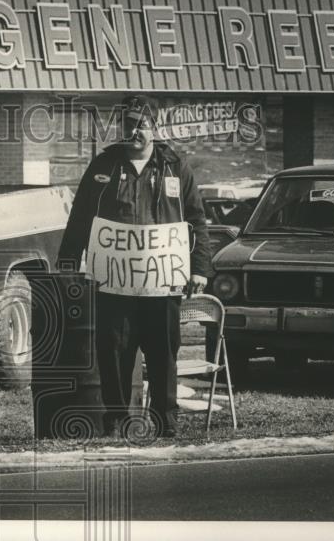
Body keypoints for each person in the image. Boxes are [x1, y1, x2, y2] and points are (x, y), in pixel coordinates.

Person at [57, 94, 211, 438]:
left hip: (162, 283)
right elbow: (81, 216)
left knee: (163, 355)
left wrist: (199, 268)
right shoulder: (104, 165)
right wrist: (69, 260)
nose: (134, 130)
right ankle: (115, 421)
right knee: (113, 353)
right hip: (115, 283)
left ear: (154, 128)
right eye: (128, 124)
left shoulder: (175, 167)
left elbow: (197, 221)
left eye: (141, 124)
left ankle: (165, 423)